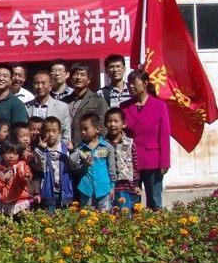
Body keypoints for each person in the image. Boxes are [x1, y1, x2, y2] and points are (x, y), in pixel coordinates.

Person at [120, 70, 171, 211]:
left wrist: (165, 162)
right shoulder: (124, 107)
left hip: (152, 160)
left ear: (145, 83)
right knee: (132, 201)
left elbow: (164, 135)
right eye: (129, 83)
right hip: (130, 161)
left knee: (154, 200)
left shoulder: (159, 106)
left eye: (134, 83)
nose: (130, 86)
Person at [70, 113, 116, 211]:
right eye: (81, 129)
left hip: (103, 188)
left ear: (97, 129)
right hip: (86, 189)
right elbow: (74, 166)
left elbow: (111, 168)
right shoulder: (80, 149)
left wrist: (112, 186)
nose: (83, 132)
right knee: (87, 216)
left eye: (86, 129)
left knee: (104, 216)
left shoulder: (107, 147)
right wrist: (84, 164)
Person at [31, 116, 75, 212]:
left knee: (66, 218)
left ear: (59, 132)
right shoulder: (40, 150)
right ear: (43, 132)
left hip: (65, 192)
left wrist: (72, 152)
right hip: (48, 192)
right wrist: (41, 150)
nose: (51, 134)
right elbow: (39, 167)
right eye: (48, 131)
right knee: (49, 218)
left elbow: (74, 167)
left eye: (54, 131)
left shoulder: (65, 149)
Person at [104, 108, 141, 215]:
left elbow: (135, 164)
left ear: (124, 124)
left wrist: (136, 184)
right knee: (109, 215)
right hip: (107, 186)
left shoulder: (129, 143)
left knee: (125, 215)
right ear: (105, 124)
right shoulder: (102, 144)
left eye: (116, 121)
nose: (112, 124)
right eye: (109, 121)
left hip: (126, 186)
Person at [62, 63, 108, 144]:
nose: (78, 77)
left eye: (82, 74)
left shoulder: (98, 101)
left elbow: (103, 128)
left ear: (89, 79)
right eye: (75, 74)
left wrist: (96, 147)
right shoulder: (64, 101)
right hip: (67, 147)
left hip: (89, 148)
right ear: (71, 78)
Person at [25, 70, 71, 142]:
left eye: (43, 83)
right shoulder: (26, 106)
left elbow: (66, 133)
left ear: (50, 86)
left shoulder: (62, 107)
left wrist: (61, 148)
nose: (40, 86)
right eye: (37, 83)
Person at [0, 141, 32, 218]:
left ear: (19, 155)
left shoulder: (20, 165)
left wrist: (26, 175)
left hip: (19, 202)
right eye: (8, 153)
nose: (11, 156)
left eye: (15, 154)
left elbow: (23, 174)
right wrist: (2, 179)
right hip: (4, 204)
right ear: (2, 154)